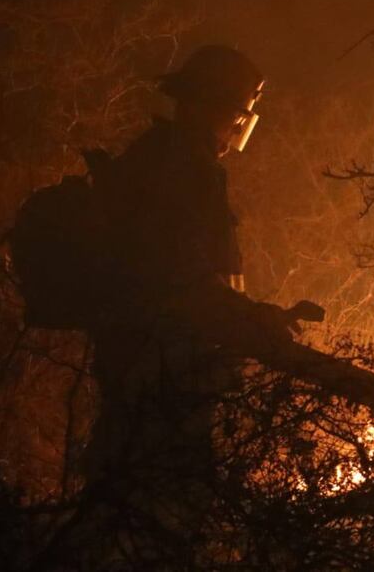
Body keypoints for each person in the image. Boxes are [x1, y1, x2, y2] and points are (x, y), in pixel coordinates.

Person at [79, 45, 303, 488]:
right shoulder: (183, 167)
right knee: (154, 502)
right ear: (214, 106)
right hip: (160, 370)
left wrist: (251, 317)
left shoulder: (163, 157)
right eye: (237, 113)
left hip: (156, 367)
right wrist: (252, 319)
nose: (237, 126)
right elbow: (183, 278)